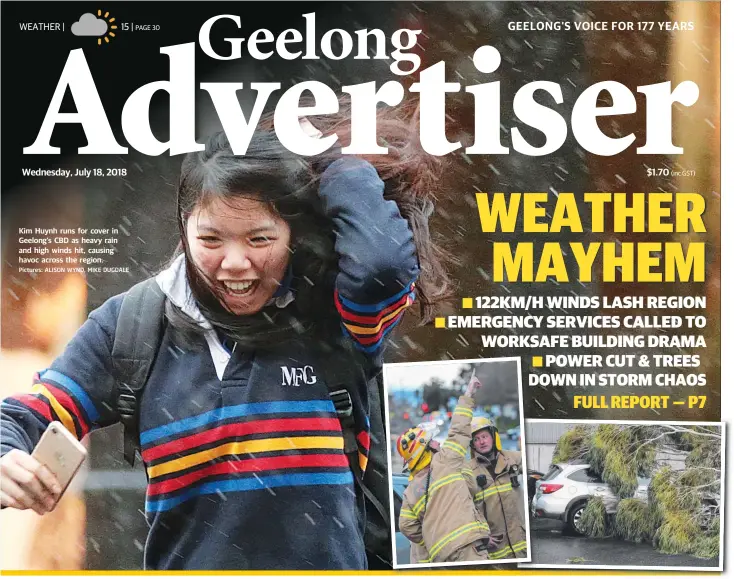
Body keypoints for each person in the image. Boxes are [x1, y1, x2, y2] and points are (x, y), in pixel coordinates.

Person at [0, 111, 450, 570]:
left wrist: (332, 159)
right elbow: (24, 416)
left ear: (293, 235)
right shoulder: (132, 325)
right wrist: (5, 458)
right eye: (210, 238)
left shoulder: (331, 315)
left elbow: (381, 266)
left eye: (259, 238)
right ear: (184, 226)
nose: (234, 263)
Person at [397, 372, 497, 564]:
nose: (437, 443)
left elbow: (406, 526)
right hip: (469, 549)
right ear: (426, 450)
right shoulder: (445, 461)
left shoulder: (410, 491)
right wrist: (468, 394)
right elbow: (459, 430)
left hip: (440, 559)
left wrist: (435, 536)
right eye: (432, 441)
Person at [465, 416, 528, 560]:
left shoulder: (513, 459)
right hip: (495, 549)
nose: (481, 442)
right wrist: (481, 535)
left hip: (522, 542)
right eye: (476, 439)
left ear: (493, 437)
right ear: (472, 444)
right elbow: (466, 509)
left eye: (485, 436)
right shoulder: (468, 471)